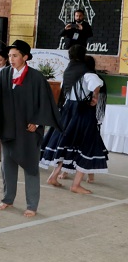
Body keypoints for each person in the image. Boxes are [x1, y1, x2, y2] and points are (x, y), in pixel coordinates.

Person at [0, 40, 62, 217]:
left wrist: (37, 122)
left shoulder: (37, 78)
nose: (11, 59)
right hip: (8, 128)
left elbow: (46, 102)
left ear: (25, 57)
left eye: (15, 55)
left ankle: (32, 205)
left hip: (27, 130)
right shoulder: (3, 74)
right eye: (9, 56)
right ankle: (8, 198)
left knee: (30, 167)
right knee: (7, 166)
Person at [40, 48, 107, 193]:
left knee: (68, 144)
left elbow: (64, 91)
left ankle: (54, 176)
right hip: (82, 112)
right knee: (87, 145)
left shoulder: (69, 72)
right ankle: (75, 185)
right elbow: (96, 84)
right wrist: (95, 97)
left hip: (68, 111)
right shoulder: (88, 73)